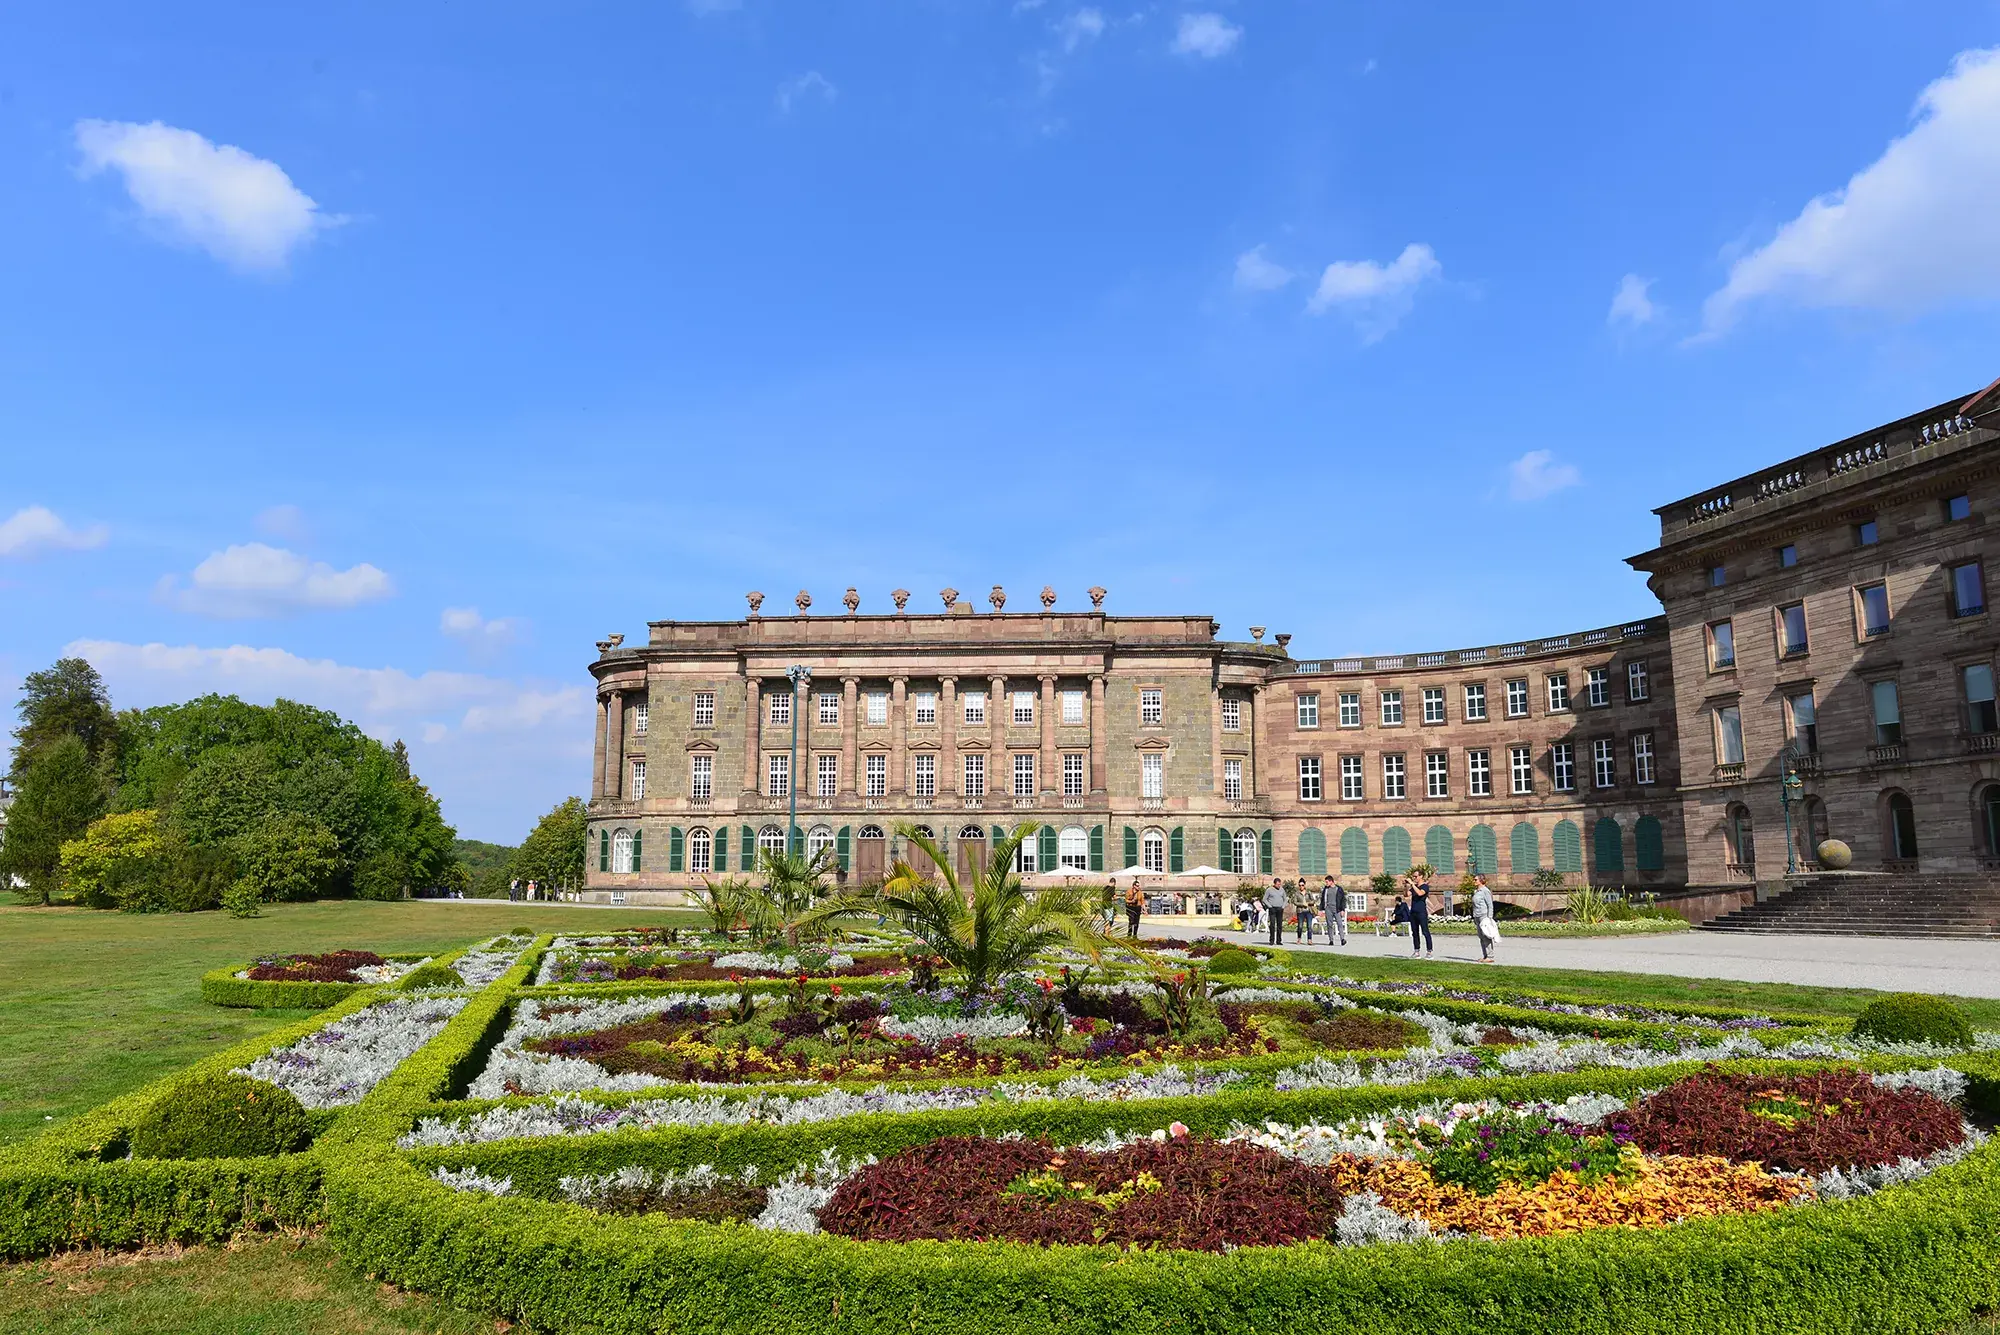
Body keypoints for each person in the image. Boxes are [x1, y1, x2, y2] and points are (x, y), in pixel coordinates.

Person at [1471, 872, 1500, 963]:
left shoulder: (1485, 891)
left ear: (1481, 880)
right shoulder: (1476, 891)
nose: (1474, 881)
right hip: (1477, 915)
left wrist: (1489, 917)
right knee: (1481, 936)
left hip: (1484, 916)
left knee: (1486, 935)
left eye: (1476, 880)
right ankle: (1485, 956)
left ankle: (1490, 956)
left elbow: (1490, 905)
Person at [1407, 869, 1434, 958]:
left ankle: (1429, 951)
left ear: (1421, 876)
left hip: (1421, 912)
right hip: (1413, 912)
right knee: (1415, 932)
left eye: (1416, 876)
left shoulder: (1425, 886)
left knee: (1425, 932)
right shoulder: (1413, 887)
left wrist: (1412, 884)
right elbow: (1406, 894)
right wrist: (1405, 886)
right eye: (1413, 876)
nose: (1414, 878)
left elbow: (1419, 893)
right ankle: (1416, 951)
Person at [1321, 875, 1348, 946]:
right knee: (1329, 925)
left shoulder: (1339, 889)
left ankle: (1342, 939)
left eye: (1327, 882)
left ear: (1331, 881)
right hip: (1328, 909)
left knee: (1340, 924)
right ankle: (1331, 940)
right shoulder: (1326, 889)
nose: (1326, 883)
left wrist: (1342, 909)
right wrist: (1321, 909)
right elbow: (1322, 899)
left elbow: (1343, 899)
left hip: (1337, 909)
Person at [1261, 877, 1288, 946]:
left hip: (1280, 909)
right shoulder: (1269, 890)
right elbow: (1264, 899)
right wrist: (1270, 906)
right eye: (1278, 884)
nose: (1279, 886)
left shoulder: (1282, 890)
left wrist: (1283, 906)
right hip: (1272, 909)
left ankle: (1278, 940)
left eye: (1280, 884)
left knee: (1279, 925)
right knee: (1272, 925)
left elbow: (1285, 899)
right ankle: (1271, 940)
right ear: (1274, 884)